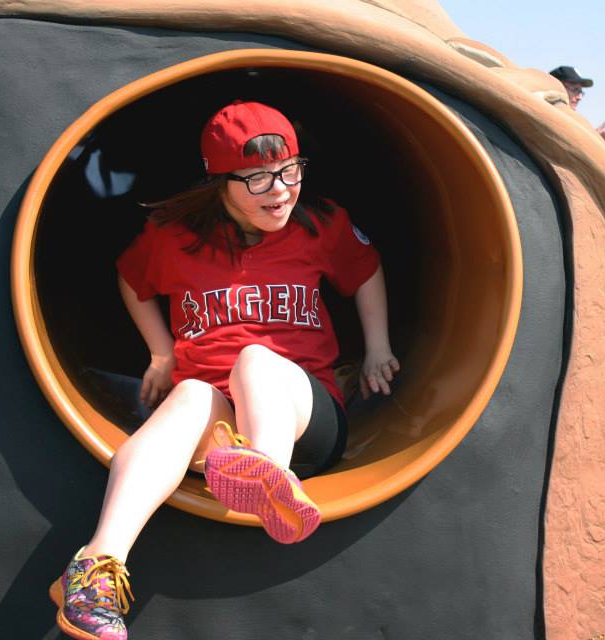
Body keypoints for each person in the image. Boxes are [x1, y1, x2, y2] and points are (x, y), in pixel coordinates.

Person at [49, 100, 400, 640]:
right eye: (257, 178)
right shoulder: (174, 236)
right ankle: (95, 570)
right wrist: (161, 353)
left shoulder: (320, 224)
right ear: (220, 182)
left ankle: (269, 473)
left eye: (289, 171)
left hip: (303, 419)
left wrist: (378, 347)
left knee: (255, 361)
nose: (279, 190)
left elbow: (365, 270)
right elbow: (133, 280)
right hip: (218, 437)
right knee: (189, 394)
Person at [549, 65, 605, 145]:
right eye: (575, 90)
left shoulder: (571, 123)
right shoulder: (547, 118)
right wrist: (595, 140)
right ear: (557, 87)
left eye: (581, 92)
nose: (580, 97)